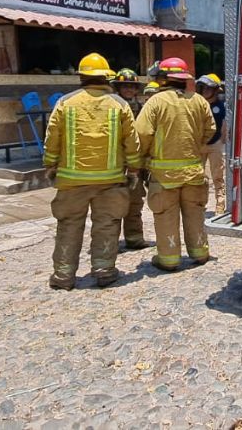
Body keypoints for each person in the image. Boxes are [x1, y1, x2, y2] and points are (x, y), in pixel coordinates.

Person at [43, 53, 143, 290]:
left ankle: (63, 276)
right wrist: (133, 169)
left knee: (68, 225)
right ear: (106, 77)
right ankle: (104, 271)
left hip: (71, 181)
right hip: (111, 180)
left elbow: (52, 138)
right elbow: (132, 141)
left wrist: (50, 165)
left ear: (81, 77)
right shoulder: (119, 104)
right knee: (107, 225)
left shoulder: (65, 102)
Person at [135, 57, 216, 271]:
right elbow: (210, 130)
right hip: (194, 172)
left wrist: (141, 159)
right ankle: (200, 253)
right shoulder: (199, 101)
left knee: (166, 217)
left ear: (163, 79)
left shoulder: (156, 102)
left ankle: (169, 260)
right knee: (195, 213)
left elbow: (141, 133)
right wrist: (194, 145)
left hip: (164, 176)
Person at [110, 68, 151, 250]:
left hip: (136, 165)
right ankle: (109, 242)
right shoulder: (111, 108)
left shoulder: (142, 109)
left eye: (131, 86)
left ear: (136, 89)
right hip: (115, 165)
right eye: (124, 86)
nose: (128, 89)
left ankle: (134, 239)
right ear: (118, 88)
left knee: (135, 203)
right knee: (113, 205)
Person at [196, 74, 227, 214]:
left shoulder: (220, 107)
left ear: (215, 90)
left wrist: (222, 140)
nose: (205, 91)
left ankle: (220, 206)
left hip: (215, 145)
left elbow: (224, 125)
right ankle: (200, 205)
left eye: (209, 88)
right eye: (203, 88)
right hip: (200, 144)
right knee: (199, 177)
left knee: (218, 176)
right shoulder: (198, 105)